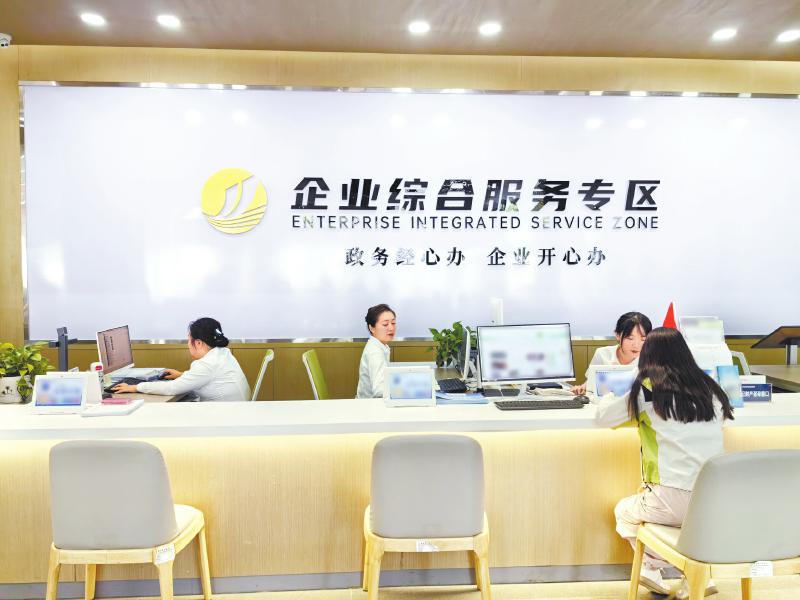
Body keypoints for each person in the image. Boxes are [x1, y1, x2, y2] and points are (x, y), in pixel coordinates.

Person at [596, 327, 734, 598]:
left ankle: (652, 568)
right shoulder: (711, 389)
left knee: (624, 513)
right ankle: (697, 576)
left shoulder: (647, 391)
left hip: (671, 499)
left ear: (647, 357)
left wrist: (615, 390)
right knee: (688, 526)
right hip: (713, 501)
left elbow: (604, 418)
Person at [113, 317, 251, 402]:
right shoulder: (223, 353)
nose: (188, 344)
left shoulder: (207, 364)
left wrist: (135, 387)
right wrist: (181, 375)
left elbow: (171, 388)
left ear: (198, 343)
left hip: (224, 420)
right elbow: (207, 377)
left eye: (189, 340)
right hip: (235, 412)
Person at [572, 311, 652, 395]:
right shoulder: (603, 354)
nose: (636, 345)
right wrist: (581, 388)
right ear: (617, 335)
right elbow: (590, 383)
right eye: (630, 338)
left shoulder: (649, 359)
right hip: (605, 402)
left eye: (643, 339)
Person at [356, 304, 396, 398]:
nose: (391, 328)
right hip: (370, 405)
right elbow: (379, 390)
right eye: (385, 324)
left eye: (393, 323)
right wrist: (404, 390)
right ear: (372, 328)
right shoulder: (375, 352)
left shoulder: (380, 345)